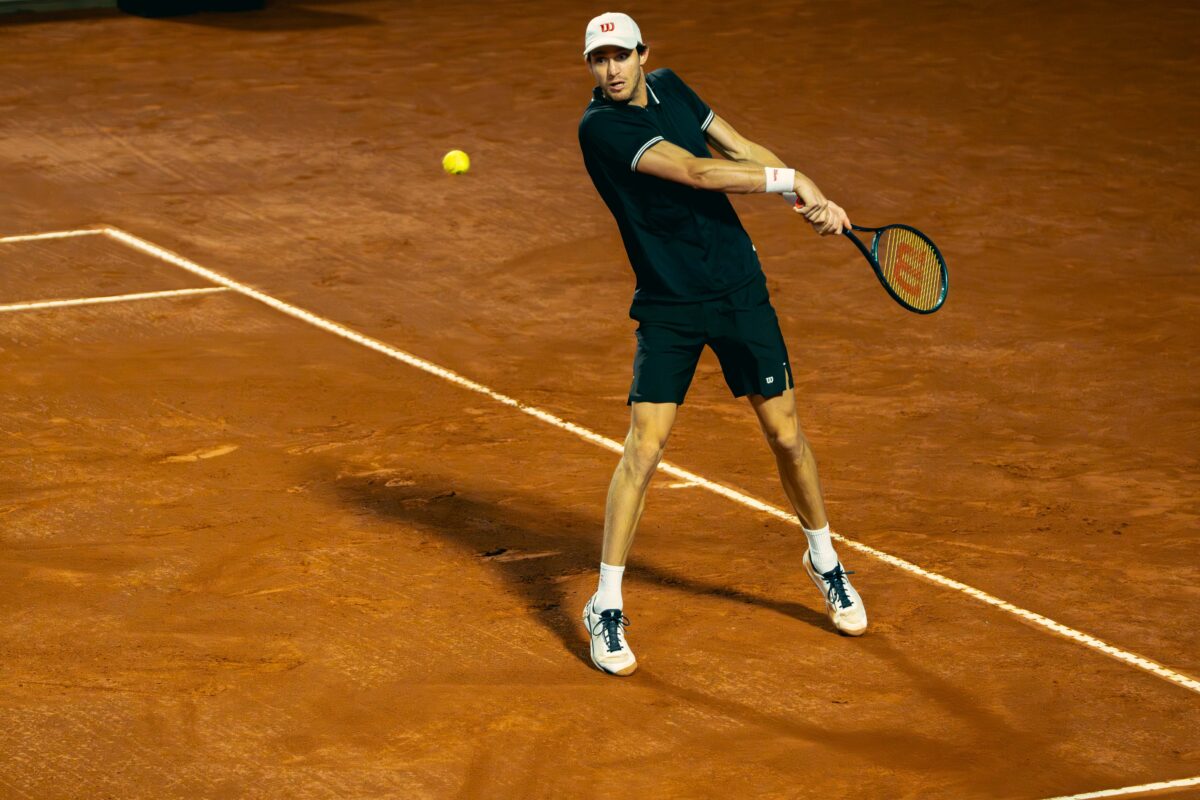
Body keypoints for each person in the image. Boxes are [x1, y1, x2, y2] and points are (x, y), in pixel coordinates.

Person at [577, 12, 868, 676]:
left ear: (645, 54)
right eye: (600, 60)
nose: (612, 70)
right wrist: (792, 181)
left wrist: (807, 195)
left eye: (621, 56)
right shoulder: (602, 128)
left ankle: (824, 559)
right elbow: (700, 174)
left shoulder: (673, 88)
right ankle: (606, 602)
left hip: (739, 290)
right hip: (670, 305)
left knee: (787, 434)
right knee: (643, 448)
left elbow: (737, 147)